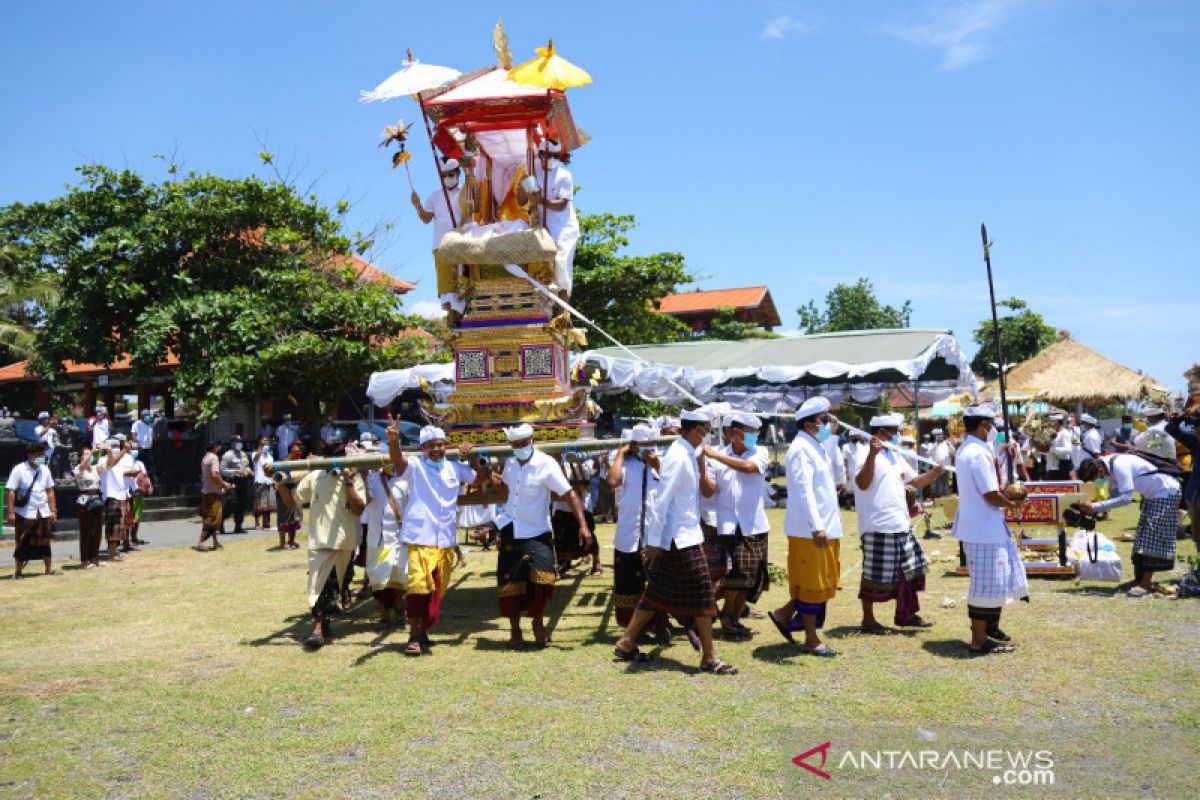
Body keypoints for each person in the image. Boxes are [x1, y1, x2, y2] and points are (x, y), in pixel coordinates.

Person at [613, 408, 738, 675]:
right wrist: (655, 543)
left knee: (655, 593)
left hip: (682, 537)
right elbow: (662, 501)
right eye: (706, 431)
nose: (707, 437)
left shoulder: (686, 455)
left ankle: (626, 642)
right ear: (696, 430)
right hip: (679, 540)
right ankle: (709, 657)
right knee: (704, 596)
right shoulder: (678, 457)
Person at [492, 423, 591, 649]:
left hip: (537, 530)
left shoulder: (546, 464)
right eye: (515, 445)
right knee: (510, 582)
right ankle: (515, 630)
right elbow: (508, 489)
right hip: (511, 528)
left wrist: (583, 525)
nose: (519, 448)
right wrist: (492, 478)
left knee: (544, 579)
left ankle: (538, 622)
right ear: (511, 445)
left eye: (523, 444)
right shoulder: (510, 462)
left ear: (531, 441)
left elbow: (569, 494)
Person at [387, 421, 481, 656]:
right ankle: (413, 636)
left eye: (440, 445)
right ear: (422, 449)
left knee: (436, 591)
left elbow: (476, 479)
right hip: (420, 537)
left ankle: (422, 632)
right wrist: (393, 440)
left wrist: (470, 456)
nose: (436, 450)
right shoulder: (416, 466)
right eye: (430, 446)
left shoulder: (455, 467)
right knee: (418, 587)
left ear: (445, 446)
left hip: (446, 541)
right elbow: (398, 461)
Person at [850, 413, 944, 633]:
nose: (898, 435)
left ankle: (908, 613)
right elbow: (862, 484)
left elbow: (915, 482)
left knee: (910, 570)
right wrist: (872, 455)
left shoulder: (895, 454)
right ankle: (868, 619)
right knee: (875, 574)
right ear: (882, 432)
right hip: (877, 524)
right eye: (895, 431)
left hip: (900, 522)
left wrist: (934, 473)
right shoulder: (863, 453)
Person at [951, 405, 1028, 656]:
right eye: (992, 425)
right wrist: (1012, 504)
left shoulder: (969, 449)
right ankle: (979, 639)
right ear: (984, 426)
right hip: (983, 528)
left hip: (981, 526)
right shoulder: (976, 453)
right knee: (985, 586)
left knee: (992, 582)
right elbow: (990, 494)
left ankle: (989, 630)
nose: (995, 430)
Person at [768, 397, 842, 657]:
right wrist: (816, 525)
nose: (829, 423)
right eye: (825, 419)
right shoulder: (800, 449)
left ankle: (784, 614)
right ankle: (810, 639)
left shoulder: (817, 446)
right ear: (810, 423)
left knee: (822, 582)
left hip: (826, 526)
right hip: (810, 530)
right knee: (812, 584)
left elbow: (838, 474)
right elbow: (803, 490)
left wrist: (832, 437)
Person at [276, 439, 367, 650]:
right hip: (319, 542)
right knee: (318, 586)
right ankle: (316, 628)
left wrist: (349, 482)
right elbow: (291, 501)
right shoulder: (315, 475)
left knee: (337, 584)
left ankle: (325, 621)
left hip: (344, 543)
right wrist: (279, 483)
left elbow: (359, 509)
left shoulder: (354, 478)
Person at [703, 412, 771, 638]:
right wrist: (702, 465)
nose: (753, 436)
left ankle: (721, 610)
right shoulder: (714, 456)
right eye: (748, 431)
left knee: (750, 576)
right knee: (738, 573)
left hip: (754, 524)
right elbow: (710, 491)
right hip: (729, 525)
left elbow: (749, 467)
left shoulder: (760, 452)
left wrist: (713, 455)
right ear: (733, 432)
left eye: (755, 432)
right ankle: (727, 616)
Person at [1078, 454, 1183, 597]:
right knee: (1141, 536)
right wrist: (1094, 507)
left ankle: (1145, 584)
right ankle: (1138, 580)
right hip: (1153, 495)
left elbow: (1126, 498)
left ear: (1100, 471)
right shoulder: (1110, 467)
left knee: (1151, 536)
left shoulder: (1120, 465)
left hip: (1166, 492)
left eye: (1094, 479)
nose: (1097, 482)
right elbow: (1115, 496)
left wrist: (1095, 507)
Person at [606, 424, 669, 638]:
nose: (647, 449)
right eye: (641, 445)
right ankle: (632, 629)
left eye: (650, 444)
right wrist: (620, 454)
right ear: (633, 445)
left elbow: (673, 487)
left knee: (657, 584)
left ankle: (659, 626)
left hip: (653, 538)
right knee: (628, 586)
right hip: (628, 536)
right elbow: (612, 481)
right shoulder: (626, 464)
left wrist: (658, 465)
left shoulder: (663, 464)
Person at [411, 156, 467, 316]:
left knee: (462, 285)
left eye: (451, 174)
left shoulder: (465, 192)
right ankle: (453, 321)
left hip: (461, 244)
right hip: (441, 245)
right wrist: (417, 205)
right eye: (445, 175)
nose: (448, 178)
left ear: (458, 173)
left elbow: (470, 215)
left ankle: (462, 319)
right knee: (446, 289)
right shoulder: (435, 196)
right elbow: (426, 218)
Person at [524, 137, 579, 298]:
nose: (552, 159)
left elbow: (562, 204)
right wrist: (525, 183)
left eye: (555, 156)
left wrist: (541, 200)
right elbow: (522, 199)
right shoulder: (532, 171)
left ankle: (563, 315)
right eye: (548, 155)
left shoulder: (564, 175)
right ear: (540, 154)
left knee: (562, 266)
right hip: (543, 230)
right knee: (543, 271)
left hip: (564, 230)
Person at [362, 458, 410, 629]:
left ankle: (398, 605)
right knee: (378, 577)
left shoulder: (405, 481)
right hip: (378, 539)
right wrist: (364, 474)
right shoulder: (372, 479)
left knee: (401, 574)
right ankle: (384, 615)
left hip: (399, 538)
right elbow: (368, 500)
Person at [6, 442, 58, 578]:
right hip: (25, 511)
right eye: (39, 455)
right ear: (30, 455)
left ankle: (49, 568)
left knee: (45, 541)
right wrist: (11, 512)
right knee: (22, 541)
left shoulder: (45, 469)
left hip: (43, 510)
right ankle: (18, 571)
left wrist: (53, 510)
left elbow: (50, 491)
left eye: (42, 454)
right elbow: (11, 490)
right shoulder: (19, 469)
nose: (42, 457)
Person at [99, 438, 140, 560]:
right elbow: (112, 462)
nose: (117, 448)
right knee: (113, 525)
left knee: (120, 526)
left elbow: (122, 474)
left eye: (118, 446)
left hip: (121, 495)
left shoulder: (120, 461)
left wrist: (133, 473)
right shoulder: (103, 460)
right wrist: (123, 451)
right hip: (111, 496)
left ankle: (115, 551)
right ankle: (112, 553)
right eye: (114, 446)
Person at [1165, 411, 1200, 554]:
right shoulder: (1195, 442)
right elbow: (1171, 429)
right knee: (1197, 533)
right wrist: (1181, 418)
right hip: (1194, 495)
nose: (1196, 432)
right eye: (1196, 429)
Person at [198, 441, 232, 551]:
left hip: (206, 491)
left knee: (212, 517)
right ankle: (201, 542)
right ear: (215, 448)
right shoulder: (214, 458)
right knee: (213, 519)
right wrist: (224, 484)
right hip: (214, 492)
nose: (220, 448)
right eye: (219, 446)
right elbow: (214, 475)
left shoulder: (205, 457)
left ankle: (215, 542)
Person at [75, 447, 104, 569]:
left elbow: (111, 464)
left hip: (96, 499)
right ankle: (84, 560)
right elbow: (82, 467)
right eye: (85, 454)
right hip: (84, 501)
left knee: (97, 531)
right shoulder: (78, 468)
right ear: (81, 456)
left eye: (89, 454)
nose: (88, 456)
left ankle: (95, 558)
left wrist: (106, 451)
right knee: (86, 532)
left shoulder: (94, 468)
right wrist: (92, 451)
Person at [220, 436, 253, 534]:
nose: (240, 443)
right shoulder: (227, 455)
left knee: (242, 504)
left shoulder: (242, 454)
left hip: (243, 482)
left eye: (241, 442)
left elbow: (245, 466)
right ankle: (221, 524)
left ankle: (238, 526)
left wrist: (249, 471)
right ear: (233, 443)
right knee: (230, 503)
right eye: (238, 441)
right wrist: (235, 471)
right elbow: (222, 470)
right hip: (232, 481)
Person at [275, 441, 305, 550]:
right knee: (284, 517)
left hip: (295, 490)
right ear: (290, 452)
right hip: (284, 491)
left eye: (299, 451)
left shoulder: (300, 462)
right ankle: (282, 543)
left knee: (295, 517)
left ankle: (291, 541)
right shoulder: (284, 461)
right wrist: (290, 457)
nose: (298, 453)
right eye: (295, 451)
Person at [124, 444, 151, 547]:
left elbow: (145, 476)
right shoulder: (126, 463)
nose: (134, 451)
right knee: (129, 516)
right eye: (132, 448)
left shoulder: (140, 463)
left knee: (137, 516)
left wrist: (149, 486)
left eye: (136, 448)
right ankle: (126, 541)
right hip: (130, 493)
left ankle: (134, 537)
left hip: (139, 493)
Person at [251, 437, 276, 530]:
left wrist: (274, 482)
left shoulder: (270, 456)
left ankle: (266, 523)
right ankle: (257, 523)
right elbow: (256, 458)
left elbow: (273, 469)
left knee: (269, 504)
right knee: (259, 503)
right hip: (260, 481)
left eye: (267, 441)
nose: (266, 442)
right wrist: (260, 447)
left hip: (269, 481)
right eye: (264, 441)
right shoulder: (256, 454)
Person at [130, 409, 155, 482]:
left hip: (149, 449)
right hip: (140, 449)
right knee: (139, 466)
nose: (147, 416)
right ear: (142, 416)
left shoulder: (150, 425)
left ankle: (148, 483)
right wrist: (137, 447)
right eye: (145, 415)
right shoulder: (137, 423)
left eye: (148, 415)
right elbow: (133, 435)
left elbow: (152, 436)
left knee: (149, 467)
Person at [34, 411, 61, 479]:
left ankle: (55, 479)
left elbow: (56, 439)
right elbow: (40, 434)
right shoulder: (37, 428)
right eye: (44, 419)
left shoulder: (52, 430)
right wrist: (49, 427)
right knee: (40, 465)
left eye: (47, 418)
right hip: (42, 450)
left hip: (52, 451)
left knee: (55, 465)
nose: (46, 420)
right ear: (40, 420)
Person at [1048, 415, 1074, 480]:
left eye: (1052, 423)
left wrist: (1051, 450)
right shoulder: (1055, 433)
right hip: (1053, 465)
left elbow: (1068, 450)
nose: (1050, 425)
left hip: (1062, 465)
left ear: (1057, 423)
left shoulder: (1064, 433)